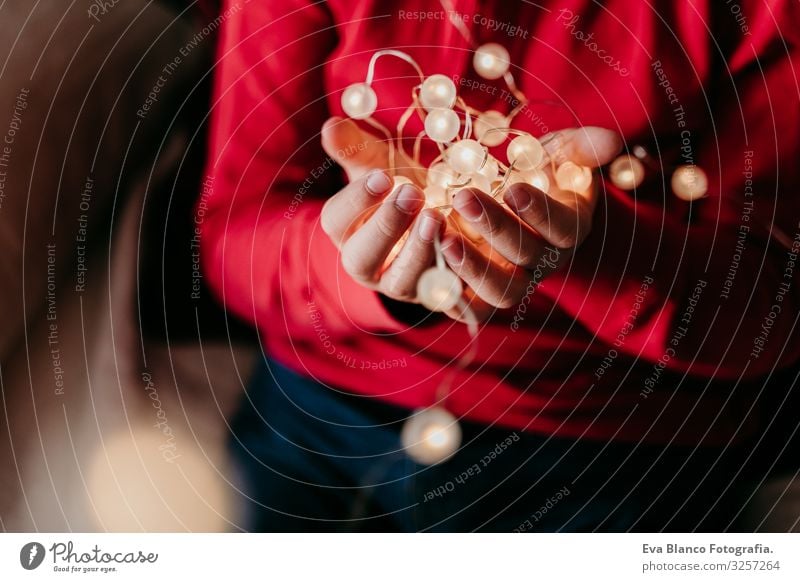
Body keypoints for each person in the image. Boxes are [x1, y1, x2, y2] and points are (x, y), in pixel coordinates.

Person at [199, 0, 800, 531]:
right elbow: (235, 235)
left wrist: (589, 247)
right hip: (324, 413)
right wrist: (362, 272)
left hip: (607, 447)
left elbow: (771, 310)